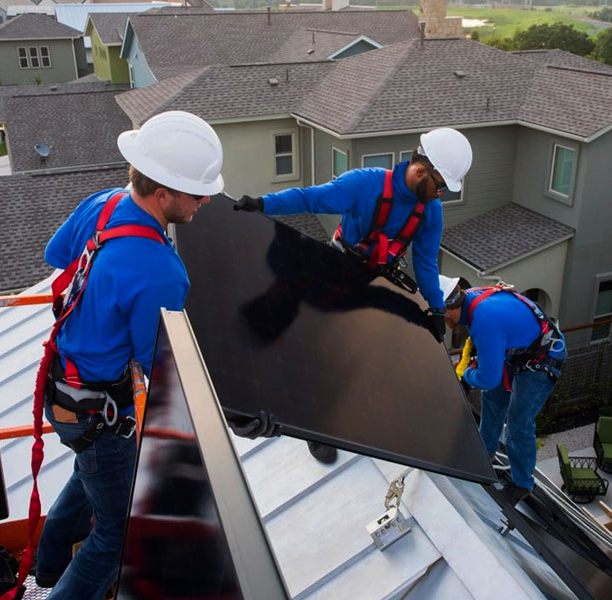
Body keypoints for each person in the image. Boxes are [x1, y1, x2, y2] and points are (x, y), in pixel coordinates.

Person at [35, 110, 224, 600]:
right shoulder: (161, 271)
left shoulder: (104, 204)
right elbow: (159, 365)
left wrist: (107, 294)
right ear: (162, 193)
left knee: (90, 476)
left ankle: (47, 572)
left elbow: (59, 255)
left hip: (64, 390)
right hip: (98, 409)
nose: (205, 200)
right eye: (196, 192)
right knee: (118, 534)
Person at [231, 128, 473, 463]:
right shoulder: (366, 184)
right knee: (307, 342)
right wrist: (262, 204)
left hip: (369, 279)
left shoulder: (430, 213)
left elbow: (427, 264)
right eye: (441, 186)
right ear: (421, 170)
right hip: (333, 264)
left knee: (348, 349)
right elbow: (311, 198)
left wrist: (434, 309)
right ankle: (302, 421)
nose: (441, 194)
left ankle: (331, 421)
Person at [440, 276, 566, 506]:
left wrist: (466, 376)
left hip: (543, 359)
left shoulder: (484, 319)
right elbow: (478, 346)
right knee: (493, 400)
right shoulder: (472, 299)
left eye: (442, 314)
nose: (444, 319)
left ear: (448, 309)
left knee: (518, 423)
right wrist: (470, 371)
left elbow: (488, 379)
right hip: (520, 351)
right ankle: (484, 454)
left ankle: (522, 484)